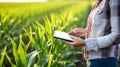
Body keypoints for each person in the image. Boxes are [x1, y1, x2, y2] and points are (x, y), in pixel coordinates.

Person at [65, 0, 120, 67]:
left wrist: (85, 42)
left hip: (105, 60)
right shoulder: (99, 2)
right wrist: (86, 32)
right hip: (94, 60)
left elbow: (117, 36)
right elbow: (104, 30)